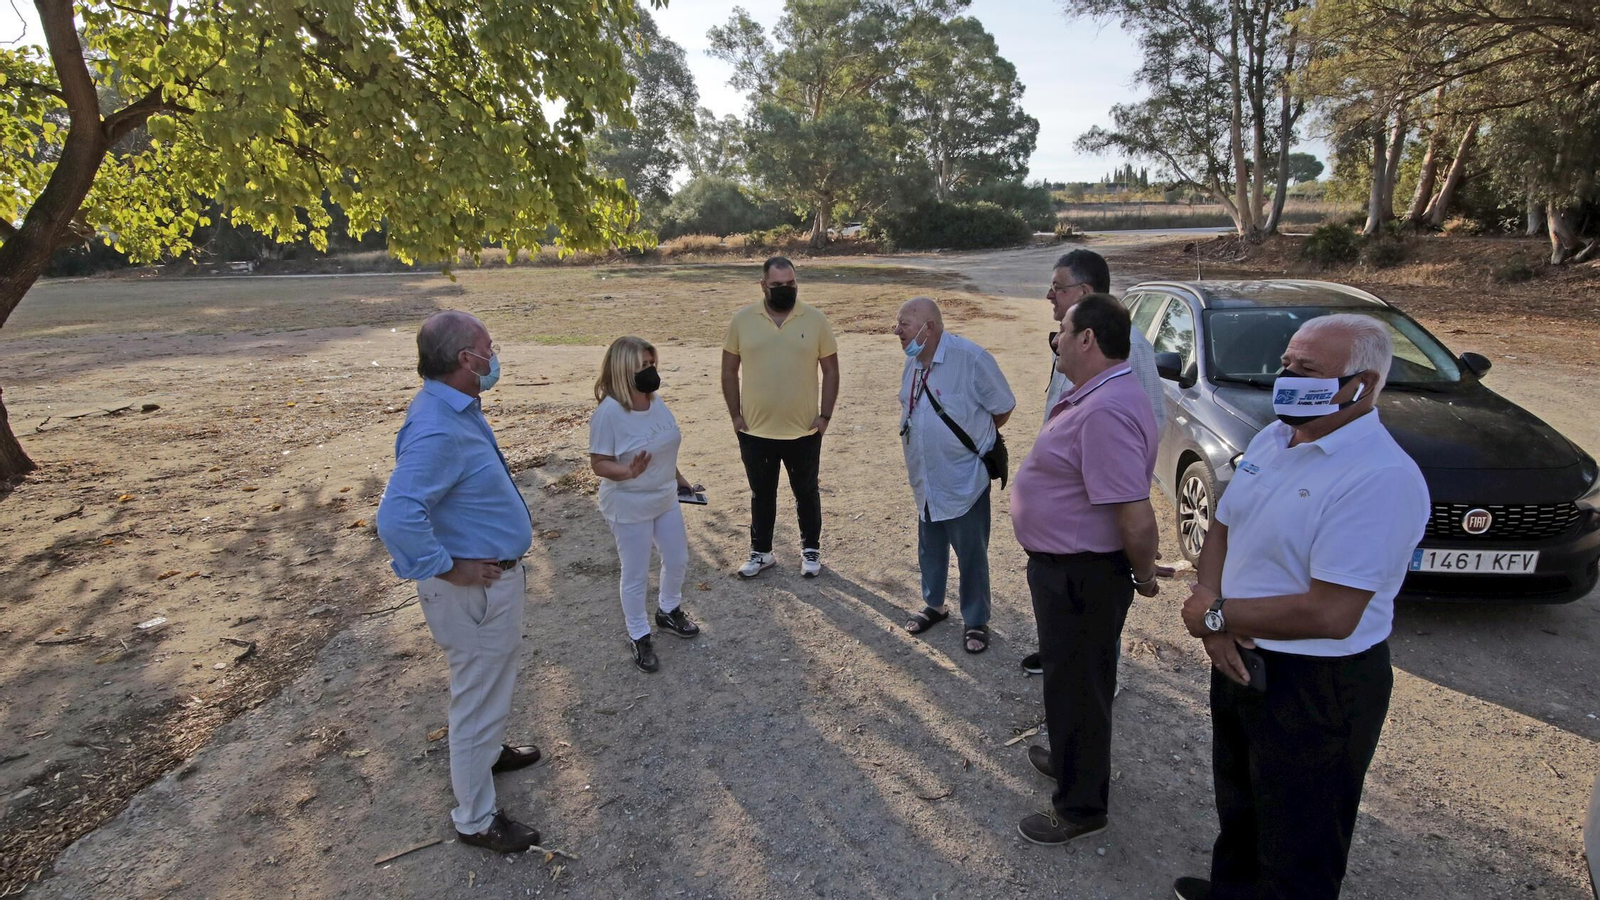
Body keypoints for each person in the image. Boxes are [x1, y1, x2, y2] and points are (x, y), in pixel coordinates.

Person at [1172, 315, 1429, 900]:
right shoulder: (1276, 437)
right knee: (1241, 809)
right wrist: (1215, 616)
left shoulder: (1380, 477)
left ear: (1362, 384)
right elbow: (1224, 526)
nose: (1285, 379)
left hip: (1316, 686)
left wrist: (1214, 617)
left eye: (1305, 371)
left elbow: (1330, 613)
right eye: (1286, 365)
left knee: (1301, 845)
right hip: (1242, 656)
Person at [375, 311, 544, 855]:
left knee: (487, 691)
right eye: (488, 349)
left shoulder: (453, 405)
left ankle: (487, 753)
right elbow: (398, 517)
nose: (495, 358)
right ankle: (475, 818)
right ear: (466, 360)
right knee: (476, 700)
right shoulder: (437, 425)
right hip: (471, 590)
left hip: (489, 585)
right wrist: (450, 567)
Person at [1009, 293, 1162, 847]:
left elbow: (1134, 512)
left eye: (1062, 332)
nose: (1057, 341)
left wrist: (1143, 576)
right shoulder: (1099, 394)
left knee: (1080, 687)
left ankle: (1080, 806)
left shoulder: (1105, 409)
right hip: (1068, 569)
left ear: (1087, 339)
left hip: (1082, 573)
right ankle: (1072, 759)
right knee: (1071, 679)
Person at [1023, 248, 1167, 677]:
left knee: (1090, 652)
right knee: (1071, 644)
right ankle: (1063, 654)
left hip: (1088, 550)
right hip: (1068, 544)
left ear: (1083, 291)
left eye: (1058, 287)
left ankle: (1103, 670)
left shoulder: (1126, 349)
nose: (1050, 295)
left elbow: (1140, 427)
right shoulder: (1078, 341)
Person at [892, 297, 1016, 655]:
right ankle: (935, 605)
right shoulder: (914, 362)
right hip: (927, 478)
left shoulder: (970, 358)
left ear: (928, 327)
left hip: (963, 479)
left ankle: (976, 620)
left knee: (971, 552)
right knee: (930, 546)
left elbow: (1003, 407)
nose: (896, 331)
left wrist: (971, 441)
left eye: (904, 324)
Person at [588, 336, 702, 673]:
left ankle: (668, 611)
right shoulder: (608, 413)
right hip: (628, 504)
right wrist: (627, 471)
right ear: (624, 370)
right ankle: (639, 635)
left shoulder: (656, 401)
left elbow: (663, 445)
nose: (651, 372)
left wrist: (680, 479)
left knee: (677, 558)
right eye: (643, 366)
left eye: (653, 364)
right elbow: (598, 463)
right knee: (636, 574)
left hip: (665, 496)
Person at [721, 256, 840, 579]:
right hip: (755, 430)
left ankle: (810, 550)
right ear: (763, 285)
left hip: (804, 430)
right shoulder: (742, 321)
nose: (786, 290)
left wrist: (825, 416)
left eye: (791, 284)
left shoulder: (815, 320)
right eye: (777, 286)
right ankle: (761, 552)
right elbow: (729, 370)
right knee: (762, 494)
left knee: (806, 491)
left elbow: (830, 370)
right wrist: (735, 415)